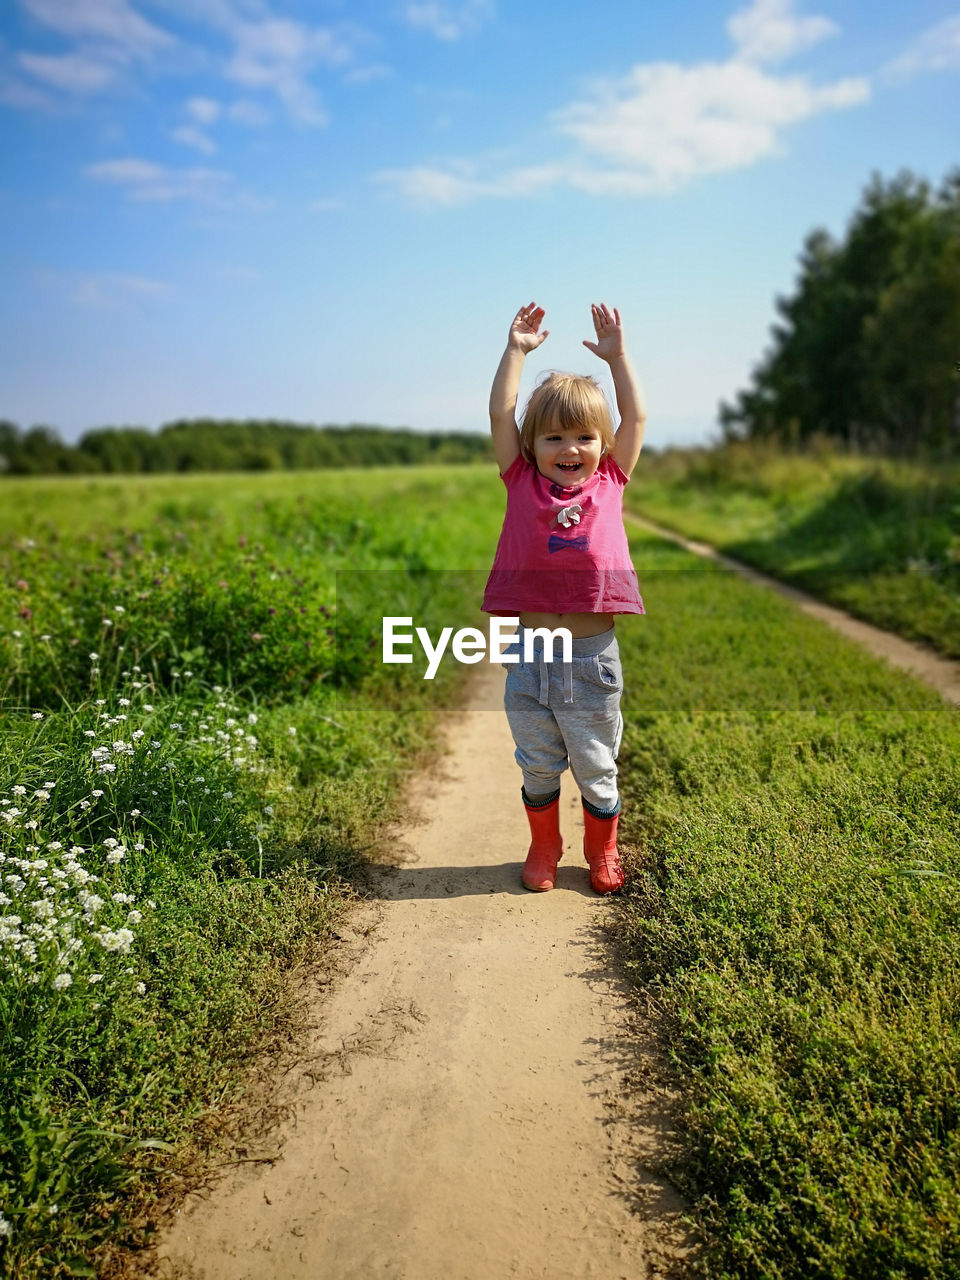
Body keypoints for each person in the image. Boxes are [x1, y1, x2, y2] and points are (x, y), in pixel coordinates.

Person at [481, 301, 646, 894]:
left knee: (598, 766)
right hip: (530, 654)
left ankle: (603, 851)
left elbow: (638, 416)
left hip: (591, 658)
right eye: (554, 437)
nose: (569, 448)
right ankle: (544, 845)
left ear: (603, 444)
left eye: (584, 436)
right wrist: (516, 351)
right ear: (532, 445)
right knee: (539, 761)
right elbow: (501, 412)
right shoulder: (519, 479)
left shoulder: (612, 482)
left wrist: (618, 357)